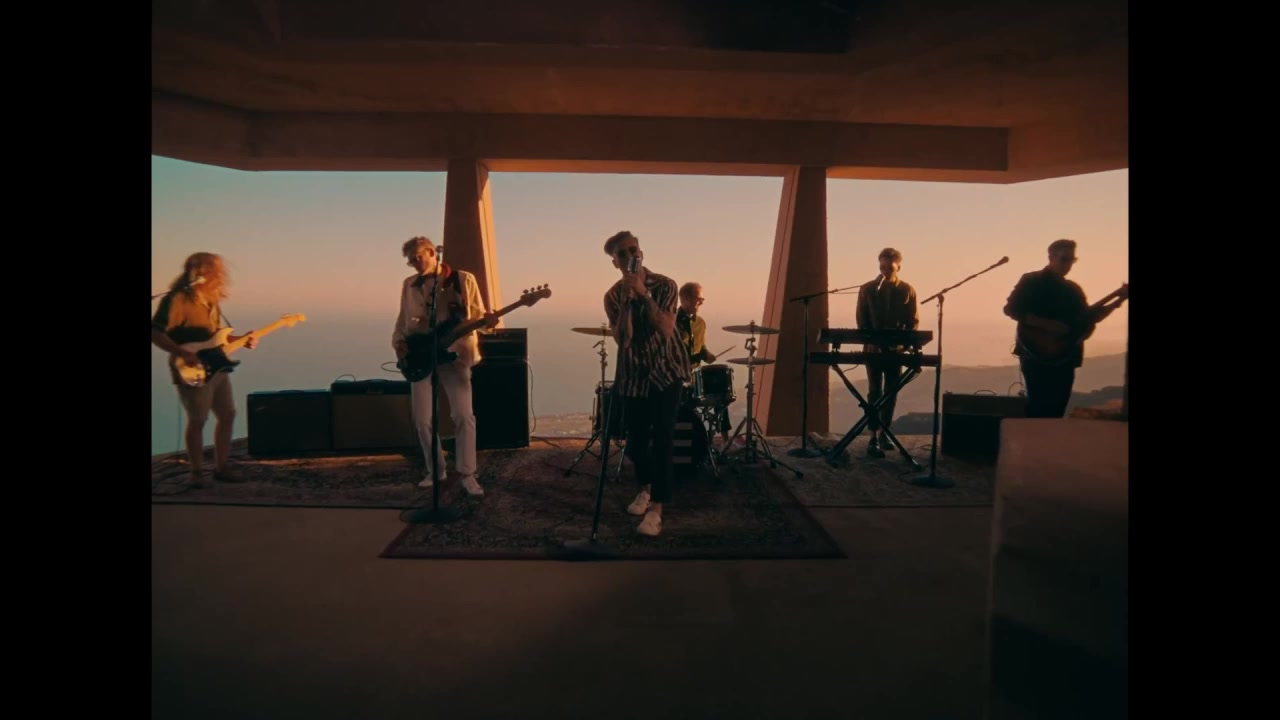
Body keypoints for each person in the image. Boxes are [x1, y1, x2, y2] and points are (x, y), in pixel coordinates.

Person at [393, 236, 498, 497]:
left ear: (432, 252)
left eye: (418, 258)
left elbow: (478, 317)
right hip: (419, 355)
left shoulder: (463, 280)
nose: (415, 264)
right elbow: (403, 320)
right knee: (422, 420)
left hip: (454, 356)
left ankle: (467, 474)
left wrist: (489, 323)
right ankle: (436, 470)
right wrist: (400, 344)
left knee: (463, 415)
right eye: (411, 261)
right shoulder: (409, 285)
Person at [602, 231, 691, 537]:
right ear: (615, 262)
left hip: (667, 370)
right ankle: (645, 488)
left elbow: (665, 328)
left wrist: (643, 294)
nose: (630, 256)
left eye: (633, 250)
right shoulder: (612, 296)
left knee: (663, 438)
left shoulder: (666, 285)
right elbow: (623, 340)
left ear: (641, 252)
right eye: (622, 254)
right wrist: (628, 302)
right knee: (637, 440)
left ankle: (657, 509)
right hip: (633, 374)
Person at [151, 252, 258, 486]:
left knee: (227, 414)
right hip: (192, 368)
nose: (221, 276)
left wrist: (241, 340)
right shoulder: (177, 300)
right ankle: (196, 473)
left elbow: (215, 338)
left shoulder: (211, 300)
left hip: (217, 367)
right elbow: (155, 332)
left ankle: (221, 467)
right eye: (217, 271)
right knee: (198, 419)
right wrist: (181, 352)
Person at [1003, 238, 1118, 419]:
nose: (1068, 264)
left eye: (1072, 260)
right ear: (1051, 258)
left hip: (1066, 357)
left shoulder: (1073, 290)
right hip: (1035, 356)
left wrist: (1117, 301)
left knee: (1057, 410)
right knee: (1038, 407)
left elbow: (1088, 318)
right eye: (1064, 259)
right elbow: (1011, 308)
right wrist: (1045, 324)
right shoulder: (1032, 280)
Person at [855, 247, 920, 457]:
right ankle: (873, 436)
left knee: (891, 393)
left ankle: (884, 433)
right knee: (874, 391)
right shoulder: (867, 289)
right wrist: (871, 341)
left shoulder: (907, 290)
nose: (884, 271)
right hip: (873, 351)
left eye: (889, 268)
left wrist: (904, 345)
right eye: (882, 267)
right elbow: (862, 321)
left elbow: (913, 321)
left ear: (898, 267)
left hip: (895, 352)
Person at [676, 281, 732, 445]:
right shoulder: (672, 322)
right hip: (678, 378)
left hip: (696, 376)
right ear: (685, 299)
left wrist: (706, 354)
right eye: (698, 299)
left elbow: (701, 346)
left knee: (722, 392)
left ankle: (725, 441)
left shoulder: (701, 323)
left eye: (702, 299)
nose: (701, 302)